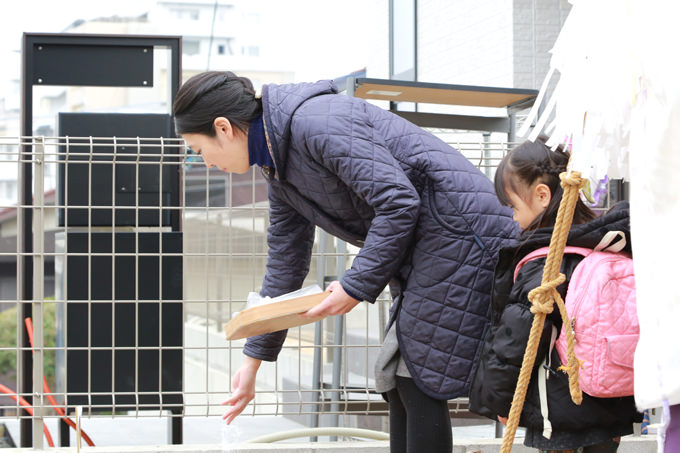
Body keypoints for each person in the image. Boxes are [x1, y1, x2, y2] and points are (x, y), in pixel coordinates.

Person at [173, 71, 518, 452]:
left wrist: (355, 285)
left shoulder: (316, 122)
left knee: (416, 377)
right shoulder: (277, 167)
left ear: (223, 128)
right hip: (432, 249)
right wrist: (252, 362)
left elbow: (397, 201)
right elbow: (285, 265)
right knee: (397, 378)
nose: (203, 162)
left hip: (466, 239)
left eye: (197, 149)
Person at [468, 139, 642, 452]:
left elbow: (517, 337)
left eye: (513, 207)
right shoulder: (605, 243)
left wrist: (499, 399)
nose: (513, 218)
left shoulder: (545, 260)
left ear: (542, 196)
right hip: (613, 401)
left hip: (559, 406)